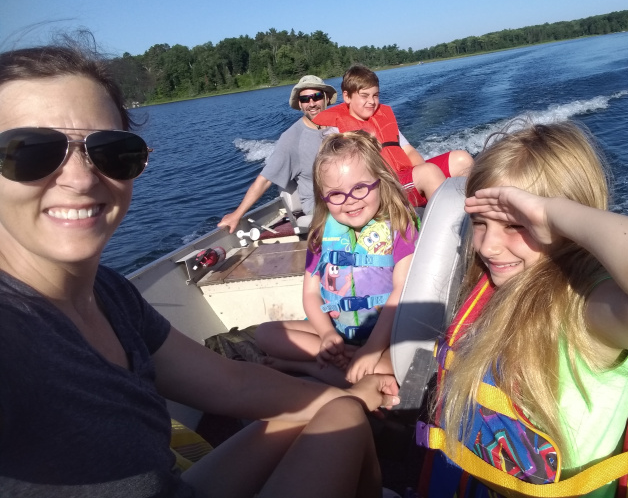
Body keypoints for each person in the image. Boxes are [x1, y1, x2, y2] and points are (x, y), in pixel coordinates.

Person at [0, 42, 400, 498]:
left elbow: (232, 382)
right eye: (30, 151)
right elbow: (267, 179)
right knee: (346, 417)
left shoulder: (110, 295)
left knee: (341, 414)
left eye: (112, 152)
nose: (81, 179)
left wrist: (351, 399)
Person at [417, 120, 628, 497]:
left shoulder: (586, 312)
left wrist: (552, 215)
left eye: (516, 224)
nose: (487, 247)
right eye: (480, 223)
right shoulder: (495, 286)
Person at [256, 131, 419, 387]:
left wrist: (373, 349)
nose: (350, 201)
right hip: (338, 329)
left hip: (385, 334)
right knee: (265, 334)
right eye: (336, 194)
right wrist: (327, 335)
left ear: (380, 181)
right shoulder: (321, 235)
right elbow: (311, 294)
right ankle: (347, 362)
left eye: (360, 188)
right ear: (324, 197)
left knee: (405, 368)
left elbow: (402, 291)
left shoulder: (399, 226)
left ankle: (308, 365)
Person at [313, 64, 473, 207]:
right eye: (364, 96)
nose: (371, 101)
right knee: (428, 173)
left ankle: (471, 215)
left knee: (461, 159)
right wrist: (425, 174)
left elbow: (408, 150)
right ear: (347, 97)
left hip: (406, 177)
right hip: (383, 189)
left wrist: (421, 172)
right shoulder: (335, 131)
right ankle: (448, 230)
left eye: (375, 95)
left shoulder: (382, 119)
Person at [218, 75, 338, 233]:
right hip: (321, 207)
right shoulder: (292, 139)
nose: (311, 103)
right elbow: (265, 180)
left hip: (348, 197)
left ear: (326, 98)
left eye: (316, 97)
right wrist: (237, 214)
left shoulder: (339, 125)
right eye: (305, 99)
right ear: (300, 105)